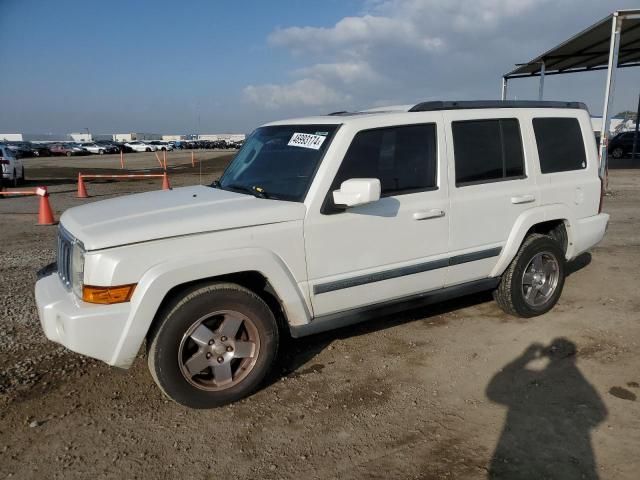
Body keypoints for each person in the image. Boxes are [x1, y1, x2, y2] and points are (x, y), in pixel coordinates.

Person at [486, 338, 607, 479]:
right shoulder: (578, 381)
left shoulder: (532, 378)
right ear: (572, 358)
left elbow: (494, 392)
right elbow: (600, 412)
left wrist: (523, 359)